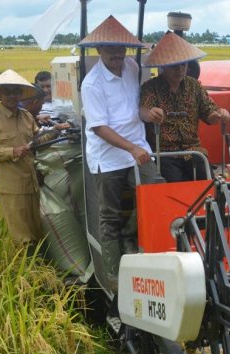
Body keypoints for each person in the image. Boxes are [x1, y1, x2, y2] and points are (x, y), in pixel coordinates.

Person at [79, 15, 164, 292]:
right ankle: (114, 275)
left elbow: (134, 108)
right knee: (109, 215)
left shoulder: (130, 67)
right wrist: (131, 147)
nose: (117, 54)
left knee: (155, 191)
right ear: (99, 50)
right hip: (109, 155)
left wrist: (148, 114)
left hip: (137, 148)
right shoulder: (92, 84)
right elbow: (100, 128)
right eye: (110, 49)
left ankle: (132, 237)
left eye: (121, 49)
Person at [139, 32, 230, 182]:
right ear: (163, 66)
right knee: (175, 185)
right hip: (165, 154)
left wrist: (220, 115)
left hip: (193, 151)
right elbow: (142, 111)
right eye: (174, 66)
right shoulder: (150, 87)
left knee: (209, 183)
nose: (180, 69)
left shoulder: (194, 86)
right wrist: (150, 114)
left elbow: (209, 114)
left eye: (184, 65)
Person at [0, 70, 44, 252]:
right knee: (23, 237)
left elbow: (37, 138)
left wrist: (55, 132)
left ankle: (41, 267)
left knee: (37, 230)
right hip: (10, 185)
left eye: (16, 91)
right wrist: (11, 151)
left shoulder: (27, 116)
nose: (12, 95)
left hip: (31, 181)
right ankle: (28, 275)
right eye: (7, 91)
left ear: (21, 94)